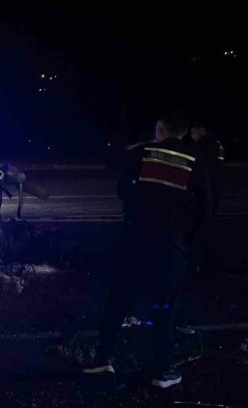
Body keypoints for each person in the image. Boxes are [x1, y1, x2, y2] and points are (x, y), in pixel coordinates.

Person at [85, 113, 213, 389]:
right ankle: (162, 372)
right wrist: (187, 244)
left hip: (134, 240)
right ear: (185, 131)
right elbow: (205, 208)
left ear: (160, 127)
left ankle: (101, 360)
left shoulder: (142, 153)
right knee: (163, 309)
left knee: (118, 302)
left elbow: (122, 188)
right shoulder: (194, 161)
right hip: (169, 246)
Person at [185, 121, 224, 275]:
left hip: (208, 191)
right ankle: (199, 263)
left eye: (196, 129)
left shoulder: (209, 145)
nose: (192, 132)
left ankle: (201, 264)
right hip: (206, 191)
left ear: (203, 130)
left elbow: (208, 166)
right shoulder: (204, 144)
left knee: (201, 228)